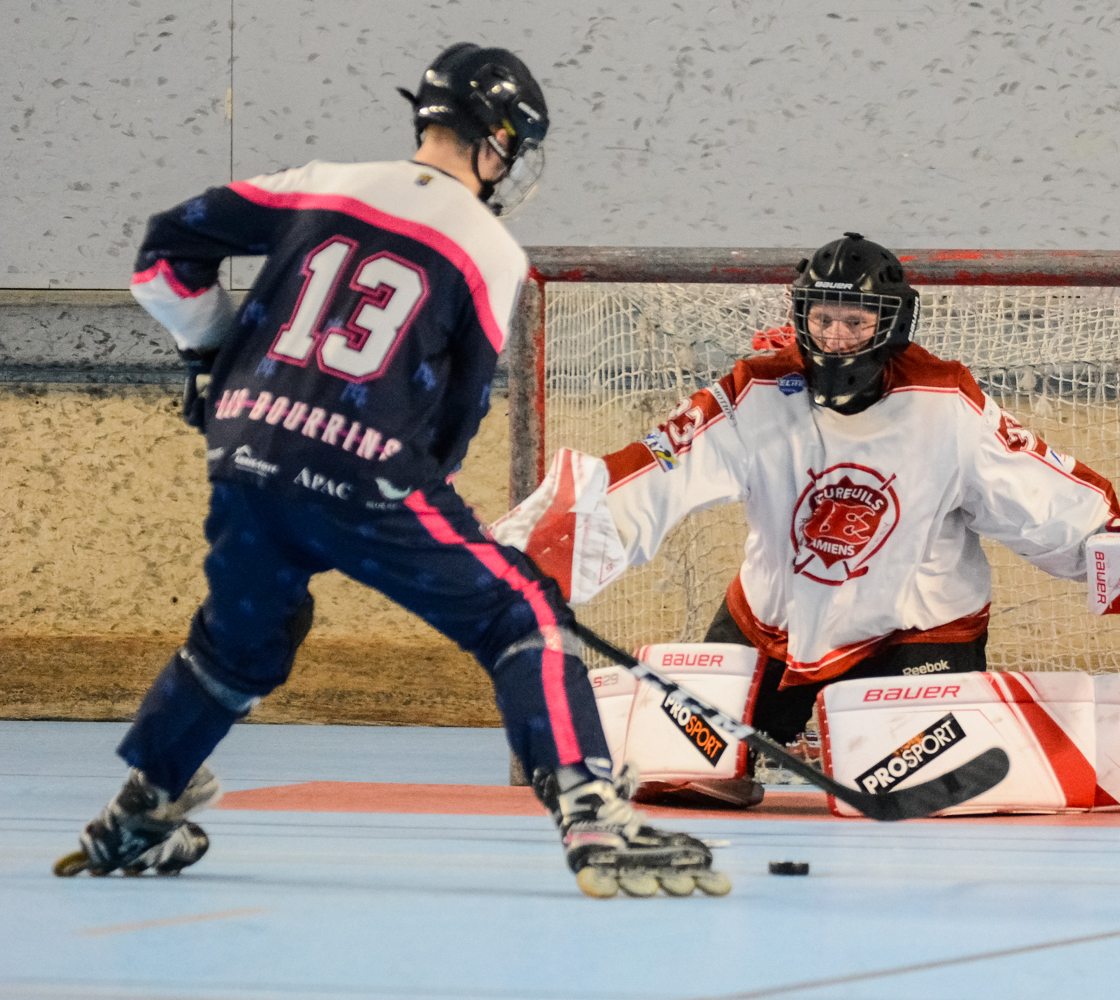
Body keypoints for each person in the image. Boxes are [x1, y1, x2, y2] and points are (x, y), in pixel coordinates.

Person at [54, 43, 727, 899]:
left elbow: (163, 254)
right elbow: (453, 418)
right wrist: (415, 507)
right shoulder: (490, 249)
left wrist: (210, 354)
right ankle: (592, 813)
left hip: (244, 453)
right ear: (498, 141)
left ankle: (137, 814)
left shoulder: (318, 182)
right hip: (365, 474)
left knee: (238, 641)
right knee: (519, 610)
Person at [494, 232, 1120, 806]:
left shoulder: (947, 406)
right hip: (773, 623)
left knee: (896, 780)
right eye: (823, 319)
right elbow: (659, 469)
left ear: (890, 324)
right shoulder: (755, 391)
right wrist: (546, 546)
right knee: (684, 775)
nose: (835, 338)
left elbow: (1044, 502)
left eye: (855, 322)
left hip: (913, 631)